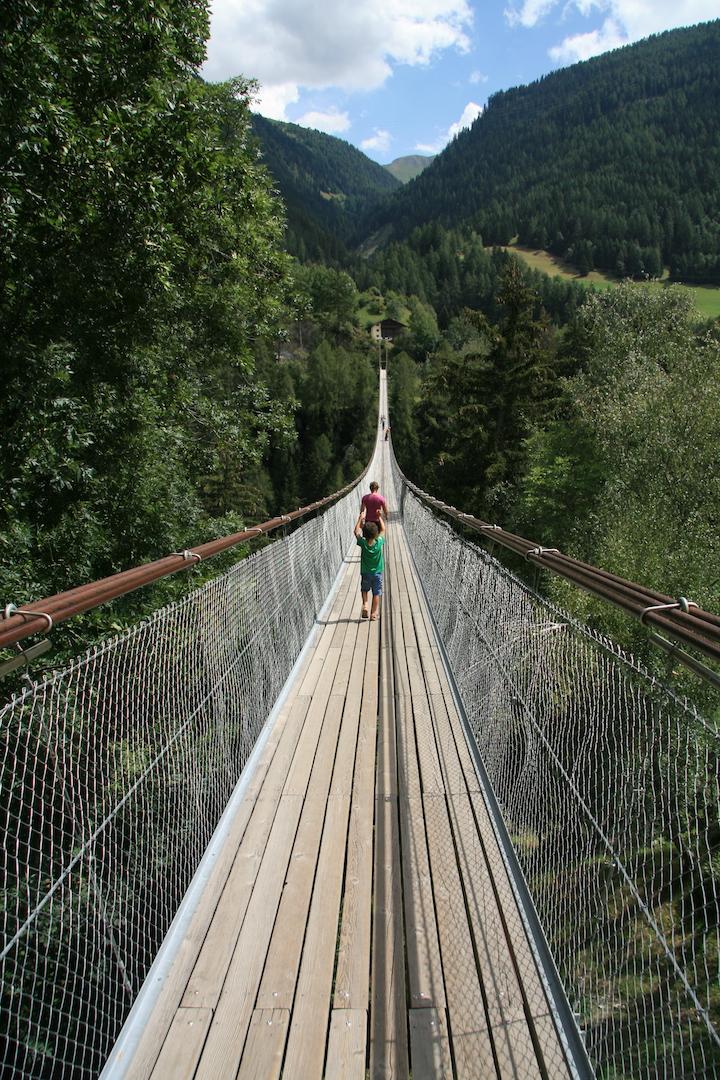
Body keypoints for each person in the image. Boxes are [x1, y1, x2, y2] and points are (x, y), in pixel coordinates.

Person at [354, 511, 385, 620]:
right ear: (376, 534)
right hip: (377, 573)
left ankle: (365, 604)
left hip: (366, 573)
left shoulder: (363, 543)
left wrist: (360, 519)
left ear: (365, 534)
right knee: (376, 593)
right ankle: (373, 613)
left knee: (365, 590)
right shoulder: (379, 542)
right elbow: (383, 530)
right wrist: (379, 517)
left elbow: (355, 532)